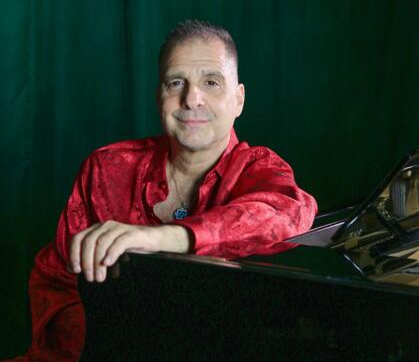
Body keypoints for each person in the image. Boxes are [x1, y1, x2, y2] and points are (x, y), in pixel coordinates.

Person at [12, 20, 317, 361]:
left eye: (211, 82)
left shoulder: (259, 169)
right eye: (176, 83)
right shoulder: (106, 169)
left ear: (239, 100)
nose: (192, 99)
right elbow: (57, 282)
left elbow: (288, 213)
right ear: (160, 98)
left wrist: (162, 239)